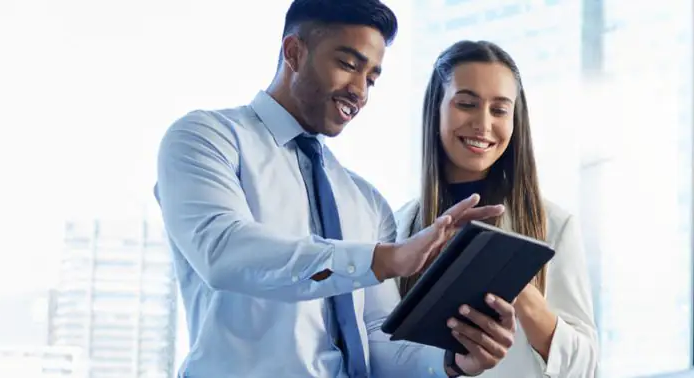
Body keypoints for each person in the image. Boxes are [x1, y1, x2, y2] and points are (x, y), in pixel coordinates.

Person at [153, 1, 518, 377]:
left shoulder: (367, 201)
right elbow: (223, 252)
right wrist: (383, 259)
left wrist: (452, 360)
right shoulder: (206, 139)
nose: (359, 91)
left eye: (372, 78)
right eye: (347, 65)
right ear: (294, 52)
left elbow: (377, 335)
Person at [373, 40, 600, 377]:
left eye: (499, 109)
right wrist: (451, 364)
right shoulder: (399, 227)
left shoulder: (554, 225)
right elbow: (381, 357)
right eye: (466, 104)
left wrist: (517, 280)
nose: (483, 123)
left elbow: (587, 367)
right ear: (436, 109)